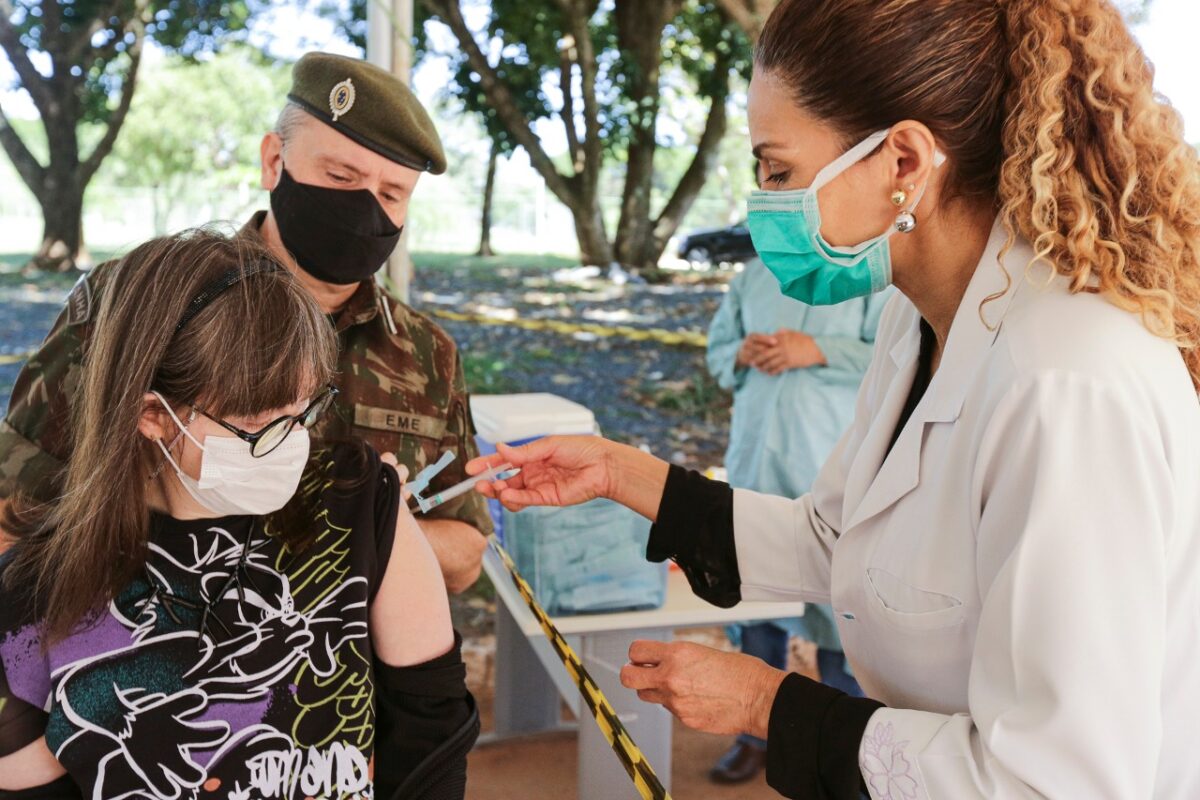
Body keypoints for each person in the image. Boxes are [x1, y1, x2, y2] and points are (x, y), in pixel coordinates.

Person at [467, 0, 1200, 796]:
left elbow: (1058, 781)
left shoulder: (1066, 383)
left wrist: (762, 700)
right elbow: (840, 538)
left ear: (904, 163)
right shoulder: (915, 321)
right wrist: (618, 472)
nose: (764, 203)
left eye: (779, 171)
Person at [0, 230, 476, 799]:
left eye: (302, 410)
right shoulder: (33, 594)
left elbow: (433, 737)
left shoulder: (360, 505)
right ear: (151, 413)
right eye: (255, 424)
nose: (290, 443)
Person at [0, 52, 491, 594]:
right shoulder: (140, 301)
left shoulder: (424, 353)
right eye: (340, 175)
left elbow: (467, 553)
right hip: (151, 657)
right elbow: (13, 509)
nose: (365, 208)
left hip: (343, 671)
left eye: (392, 194)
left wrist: (376, 530)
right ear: (274, 161)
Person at [704, 258, 885, 783]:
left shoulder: (869, 272)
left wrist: (818, 350)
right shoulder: (754, 277)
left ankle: (842, 754)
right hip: (756, 466)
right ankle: (753, 738)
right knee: (755, 605)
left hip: (830, 470)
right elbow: (718, 351)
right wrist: (740, 353)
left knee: (840, 616)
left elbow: (902, 353)